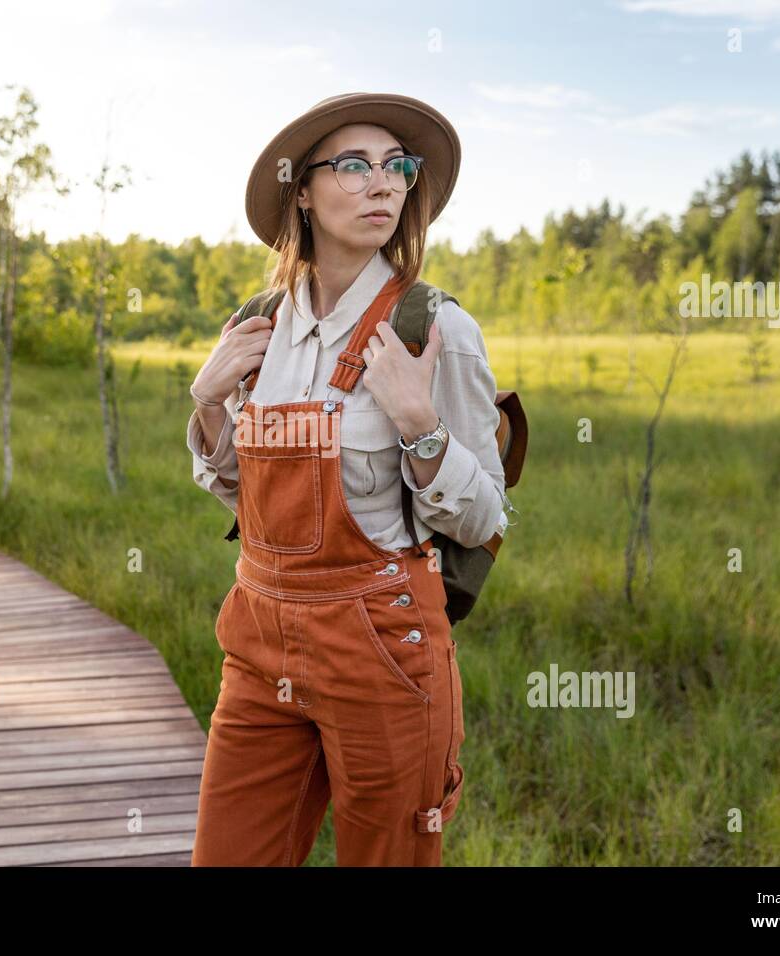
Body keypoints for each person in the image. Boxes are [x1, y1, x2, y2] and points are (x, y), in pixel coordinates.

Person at [185, 92, 507, 866]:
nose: (384, 183)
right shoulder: (258, 323)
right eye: (354, 165)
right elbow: (243, 493)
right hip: (258, 641)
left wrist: (419, 426)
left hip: (382, 647)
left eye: (398, 166)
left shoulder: (434, 329)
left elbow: (487, 516)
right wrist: (205, 400)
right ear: (301, 188)